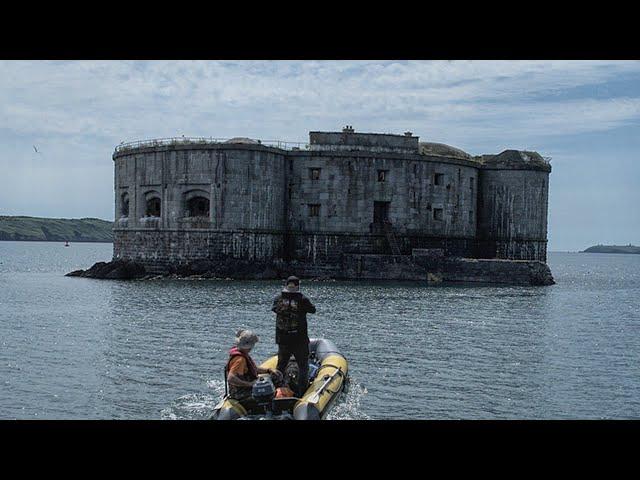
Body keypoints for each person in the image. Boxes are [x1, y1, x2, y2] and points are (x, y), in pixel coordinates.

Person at [272, 275, 316, 397]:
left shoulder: (278, 298)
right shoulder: (302, 299)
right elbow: (313, 310)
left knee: (281, 365)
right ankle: (302, 392)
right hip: (299, 339)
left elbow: (274, 309)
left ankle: (276, 390)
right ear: (298, 286)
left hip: (283, 339)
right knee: (303, 366)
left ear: (286, 285)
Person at [226, 329, 279, 409]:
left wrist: (268, 370)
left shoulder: (241, 353)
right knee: (271, 389)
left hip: (240, 389)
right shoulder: (240, 360)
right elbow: (231, 378)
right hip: (240, 393)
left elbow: (253, 369)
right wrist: (250, 384)